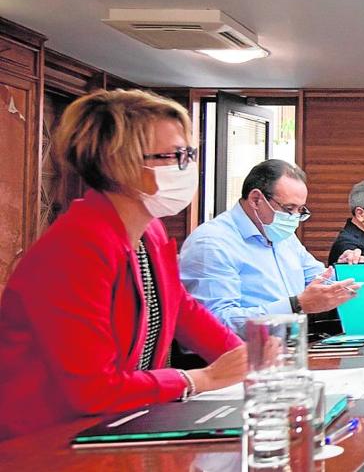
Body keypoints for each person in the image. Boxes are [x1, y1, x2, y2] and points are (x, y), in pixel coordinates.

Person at [0, 90, 245, 439]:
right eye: (176, 155)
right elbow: (93, 389)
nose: (188, 167)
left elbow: (180, 308)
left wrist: (248, 358)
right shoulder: (77, 246)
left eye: (189, 154)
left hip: (115, 425)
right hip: (44, 438)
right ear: (120, 163)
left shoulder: (150, 230)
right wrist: (200, 379)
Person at [179, 160, 363, 335]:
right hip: (241, 353)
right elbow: (215, 323)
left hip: (292, 345)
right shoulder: (212, 243)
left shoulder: (283, 237)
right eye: (289, 208)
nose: (294, 218)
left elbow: (319, 281)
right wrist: (296, 306)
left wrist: (344, 272)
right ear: (256, 199)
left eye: (300, 210)